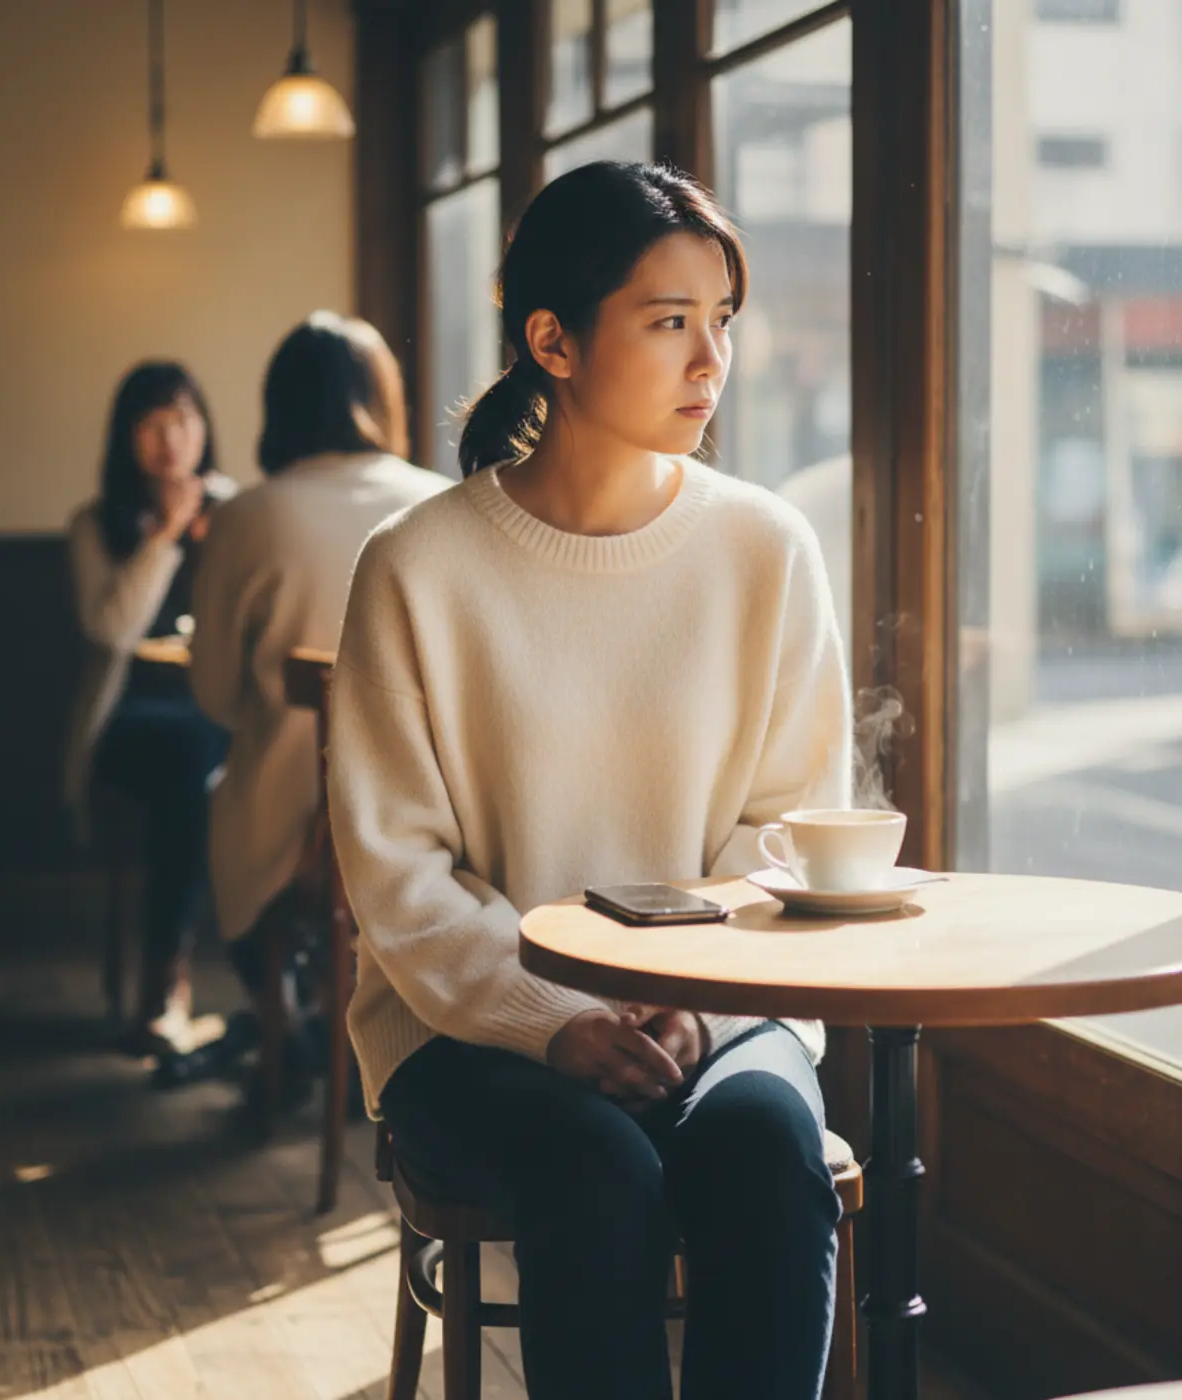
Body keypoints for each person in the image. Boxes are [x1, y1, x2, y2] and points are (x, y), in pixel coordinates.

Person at [327, 162, 852, 1400]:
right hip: (468, 1021)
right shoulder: (415, 564)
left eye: (720, 320)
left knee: (768, 1152)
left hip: (720, 1007)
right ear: (551, 341)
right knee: (595, 1171)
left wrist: (699, 997)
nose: (708, 361)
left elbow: (785, 831)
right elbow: (398, 878)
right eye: (668, 321)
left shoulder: (765, 547)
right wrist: (555, 1020)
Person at [189, 312, 446, 1064]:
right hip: (424, 820)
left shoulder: (246, 515)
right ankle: (357, 1025)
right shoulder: (438, 501)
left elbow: (212, 696)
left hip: (294, 829)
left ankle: (285, 1019)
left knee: (221, 798)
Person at [65, 361, 237, 1054]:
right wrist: (163, 537)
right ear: (126, 435)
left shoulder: (234, 512)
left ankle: (246, 987)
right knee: (184, 760)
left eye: (184, 420)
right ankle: (167, 979)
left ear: (204, 429)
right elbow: (109, 628)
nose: (171, 438)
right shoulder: (96, 524)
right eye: (153, 422)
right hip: (130, 713)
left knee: (208, 756)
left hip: (217, 707)